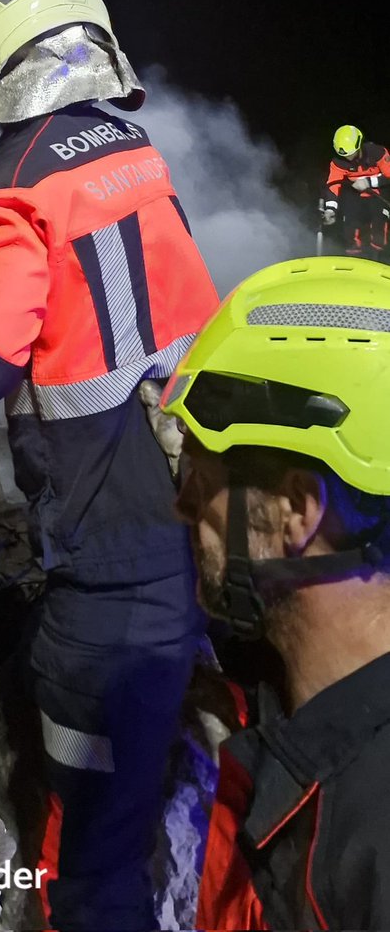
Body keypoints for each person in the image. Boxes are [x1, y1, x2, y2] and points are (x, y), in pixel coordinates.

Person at [0, 0, 219, 931]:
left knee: (90, 857)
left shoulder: (8, 187)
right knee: (145, 777)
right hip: (188, 520)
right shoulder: (130, 150)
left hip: (108, 577)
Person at [162, 254, 390, 931]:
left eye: (201, 479)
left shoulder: (372, 830)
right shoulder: (299, 720)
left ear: (296, 511)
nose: (182, 506)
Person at [320, 124, 390, 260]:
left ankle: (378, 256)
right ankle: (354, 254)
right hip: (355, 195)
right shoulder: (338, 162)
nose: (348, 158)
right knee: (350, 222)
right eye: (344, 155)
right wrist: (330, 209)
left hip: (378, 194)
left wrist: (369, 182)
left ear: (358, 146)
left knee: (379, 222)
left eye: (350, 153)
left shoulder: (378, 153)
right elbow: (333, 184)